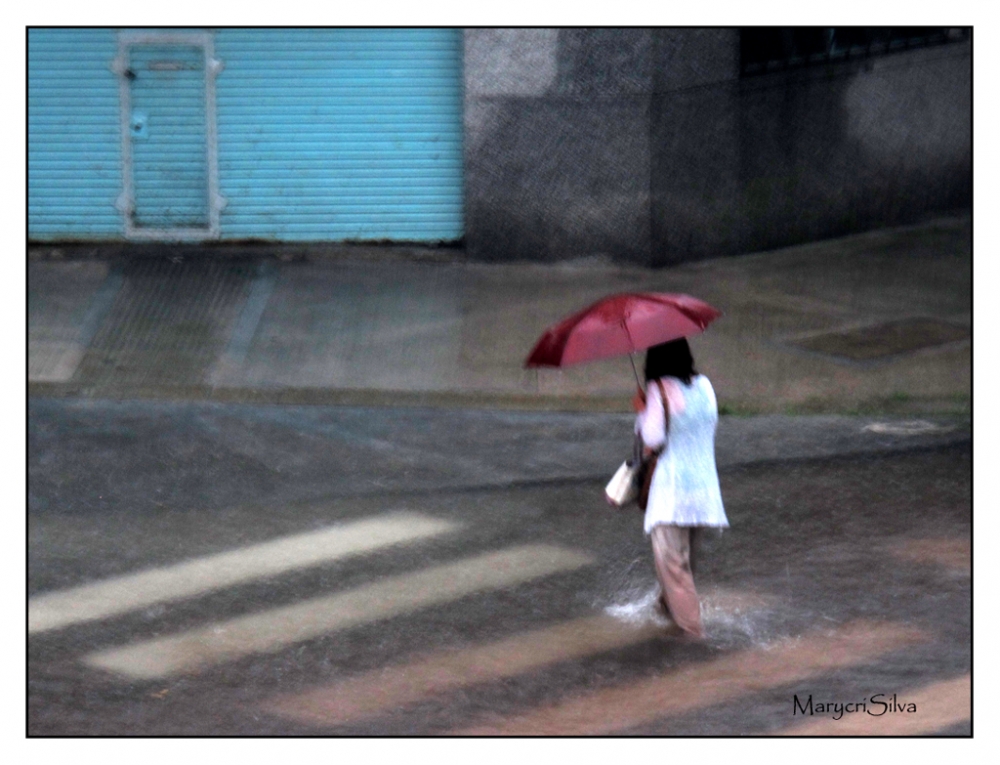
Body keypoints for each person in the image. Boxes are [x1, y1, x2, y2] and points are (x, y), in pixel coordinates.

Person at [633, 338, 728, 638]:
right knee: (681, 568)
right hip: (704, 492)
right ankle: (664, 614)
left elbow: (651, 440)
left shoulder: (658, 389)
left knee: (675, 569)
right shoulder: (705, 386)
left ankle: (693, 636)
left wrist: (642, 410)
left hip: (672, 494)